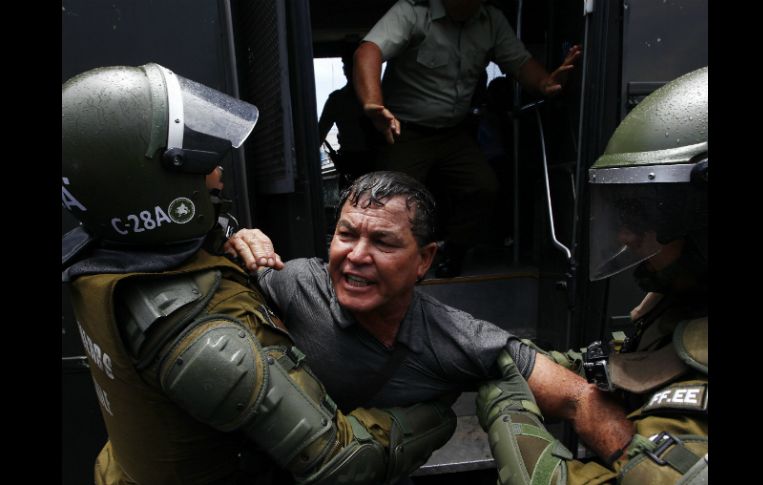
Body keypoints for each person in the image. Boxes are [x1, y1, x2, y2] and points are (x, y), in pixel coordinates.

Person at [61, 63, 458, 485]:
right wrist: (438, 412)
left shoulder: (102, 256)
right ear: (156, 188)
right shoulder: (204, 339)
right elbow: (345, 465)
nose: (219, 170)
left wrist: (227, 239)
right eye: (203, 162)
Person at [226, 170, 635, 483]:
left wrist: (643, 468)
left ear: (424, 260)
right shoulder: (295, 282)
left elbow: (576, 397)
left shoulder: (455, 339)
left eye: (384, 243)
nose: (356, 256)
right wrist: (236, 241)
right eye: (346, 235)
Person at [525, 67, 709, 483]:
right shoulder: (682, 299)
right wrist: (521, 358)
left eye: (647, 213)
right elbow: (647, 359)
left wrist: (506, 410)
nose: (625, 235)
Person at [353, 0, 582, 277]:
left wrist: (545, 82)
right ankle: (390, 267)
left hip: (454, 131)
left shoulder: (491, 21)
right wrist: (372, 104)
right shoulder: (412, 12)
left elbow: (520, 63)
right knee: (391, 201)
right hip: (405, 130)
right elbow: (368, 50)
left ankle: (454, 250)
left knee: (482, 187)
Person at [318, 45, 379, 189]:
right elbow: (319, 135)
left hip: (372, 161)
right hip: (354, 162)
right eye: (346, 66)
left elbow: (319, 134)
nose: (347, 70)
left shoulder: (338, 99)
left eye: (351, 66)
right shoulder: (337, 99)